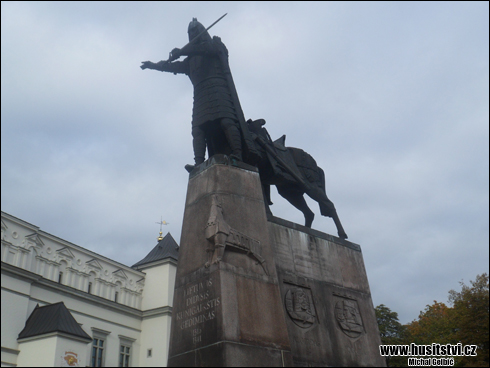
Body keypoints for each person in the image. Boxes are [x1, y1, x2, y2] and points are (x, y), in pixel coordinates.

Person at [141, 18, 247, 171]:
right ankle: (199, 163)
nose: (193, 35)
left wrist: (182, 51)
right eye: (190, 33)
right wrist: (153, 65)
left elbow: (206, 49)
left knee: (226, 121)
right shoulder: (190, 61)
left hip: (218, 90)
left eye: (195, 31)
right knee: (198, 129)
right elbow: (172, 67)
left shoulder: (216, 45)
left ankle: (238, 155)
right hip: (200, 95)